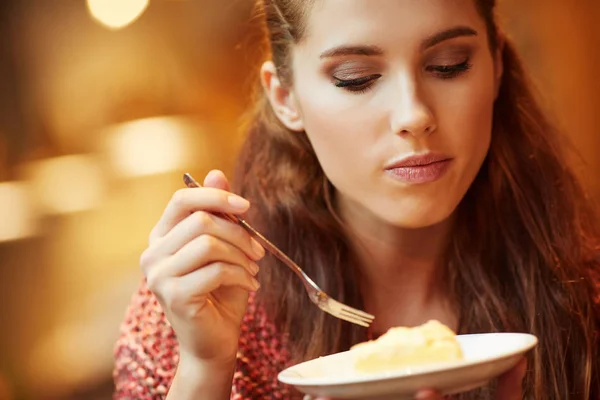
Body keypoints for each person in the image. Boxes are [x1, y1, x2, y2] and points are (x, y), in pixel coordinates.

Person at [113, 0, 600, 399]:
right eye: (356, 77)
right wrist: (203, 369)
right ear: (286, 96)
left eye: (448, 65)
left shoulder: (585, 290)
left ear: (495, 64)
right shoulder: (198, 308)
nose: (413, 114)